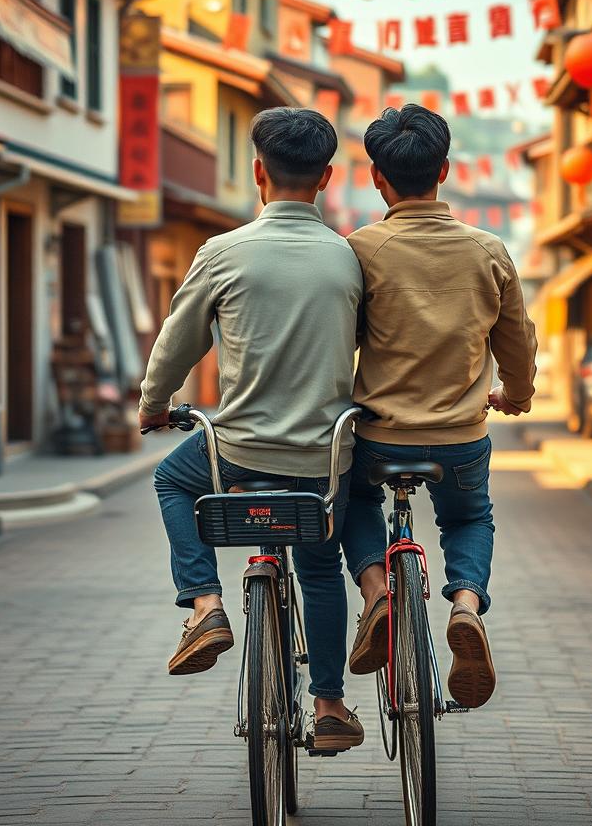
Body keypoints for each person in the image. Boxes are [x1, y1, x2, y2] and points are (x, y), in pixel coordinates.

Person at [139, 107, 366, 752]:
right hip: (324, 461)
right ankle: (327, 703)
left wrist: (154, 405)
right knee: (320, 571)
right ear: (326, 177)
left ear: (259, 173)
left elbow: (176, 346)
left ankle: (206, 604)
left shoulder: (222, 252)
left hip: (234, 455)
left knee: (170, 478)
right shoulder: (349, 261)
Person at [341, 104, 537, 709]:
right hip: (460, 434)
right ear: (445, 169)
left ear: (377, 177)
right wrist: (516, 396)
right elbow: (517, 342)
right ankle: (466, 606)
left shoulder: (360, 250)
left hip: (379, 435)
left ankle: (377, 593)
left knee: (350, 499)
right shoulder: (488, 250)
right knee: (468, 517)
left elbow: (336, 339)